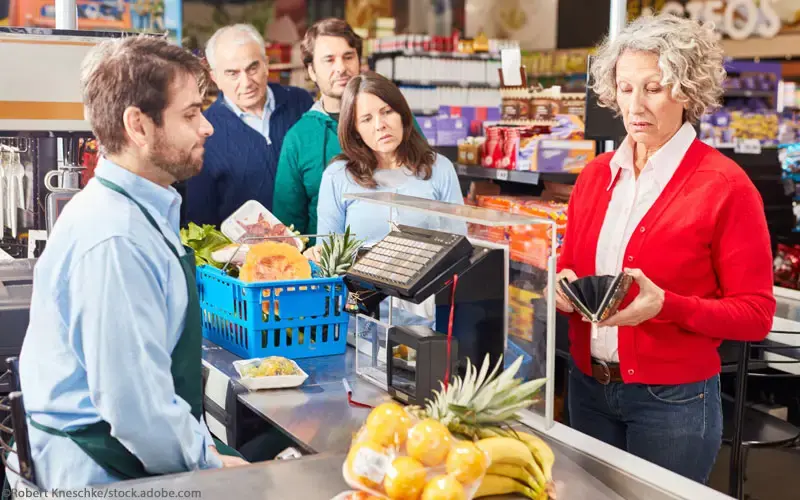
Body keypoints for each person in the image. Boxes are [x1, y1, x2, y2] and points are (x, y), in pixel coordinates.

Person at [6, 36, 247, 490]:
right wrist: (213, 466)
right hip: (97, 473)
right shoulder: (114, 239)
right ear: (138, 125)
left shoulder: (139, 211)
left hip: (124, 456)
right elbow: (137, 410)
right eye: (191, 114)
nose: (207, 128)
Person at [556, 14, 776, 484]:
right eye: (626, 87)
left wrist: (667, 307)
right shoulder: (595, 177)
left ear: (688, 91)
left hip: (673, 401)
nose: (635, 105)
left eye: (654, 88)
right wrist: (561, 284)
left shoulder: (726, 186)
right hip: (587, 387)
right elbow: (571, 264)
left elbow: (756, 313)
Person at [185, 24, 313, 227]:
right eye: (232, 73)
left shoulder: (302, 103)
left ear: (266, 64)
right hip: (244, 256)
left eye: (252, 68)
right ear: (215, 78)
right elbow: (200, 222)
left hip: (313, 246)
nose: (246, 83)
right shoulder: (202, 133)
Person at [316, 71, 464, 245]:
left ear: (402, 114)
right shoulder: (338, 176)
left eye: (387, 112)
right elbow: (327, 253)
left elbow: (458, 244)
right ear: (354, 130)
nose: (380, 126)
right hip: (356, 273)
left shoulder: (439, 168)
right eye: (366, 119)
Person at [272, 18, 364, 238]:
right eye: (329, 60)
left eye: (348, 57)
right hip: (325, 269)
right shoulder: (299, 138)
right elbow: (288, 228)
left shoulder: (391, 117)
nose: (341, 68)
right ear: (311, 71)